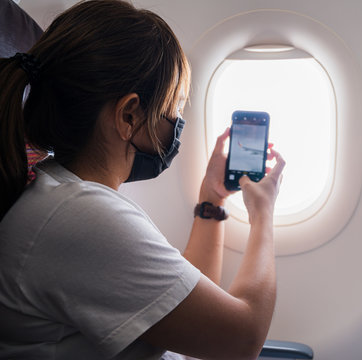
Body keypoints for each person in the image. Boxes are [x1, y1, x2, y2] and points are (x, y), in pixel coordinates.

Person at [0, 1, 285, 359]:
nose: (177, 124)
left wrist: (212, 198)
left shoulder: (65, 197)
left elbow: (180, 302)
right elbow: (242, 339)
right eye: (174, 109)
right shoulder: (79, 216)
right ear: (129, 114)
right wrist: (263, 215)